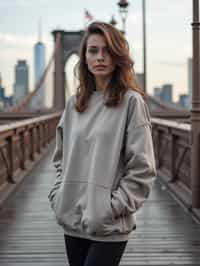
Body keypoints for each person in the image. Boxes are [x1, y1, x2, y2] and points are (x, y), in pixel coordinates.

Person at [48, 21, 157, 266]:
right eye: (93, 50)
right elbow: (60, 159)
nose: (100, 57)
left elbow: (143, 168)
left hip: (109, 227)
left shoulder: (131, 103)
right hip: (72, 222)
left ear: (118, 56)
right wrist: (59, 195)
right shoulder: (73, 104)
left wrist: (110, 208)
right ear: (83, 57)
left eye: (107, 50)